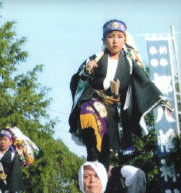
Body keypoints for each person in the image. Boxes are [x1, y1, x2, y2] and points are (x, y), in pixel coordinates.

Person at [69, 19, 168, 169]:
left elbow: (144, 83)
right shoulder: (95, 59)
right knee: (89, 127)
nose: (115, 40)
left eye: (119, 36)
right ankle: (92, 165)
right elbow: (78, 83)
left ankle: (102, 184)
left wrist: (161, 100)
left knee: (105, 152)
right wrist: (86, 71)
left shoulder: (129, 64)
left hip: (112, 110)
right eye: (111, 36)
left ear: (124, 39)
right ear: (104, 39)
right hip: (93, 103)